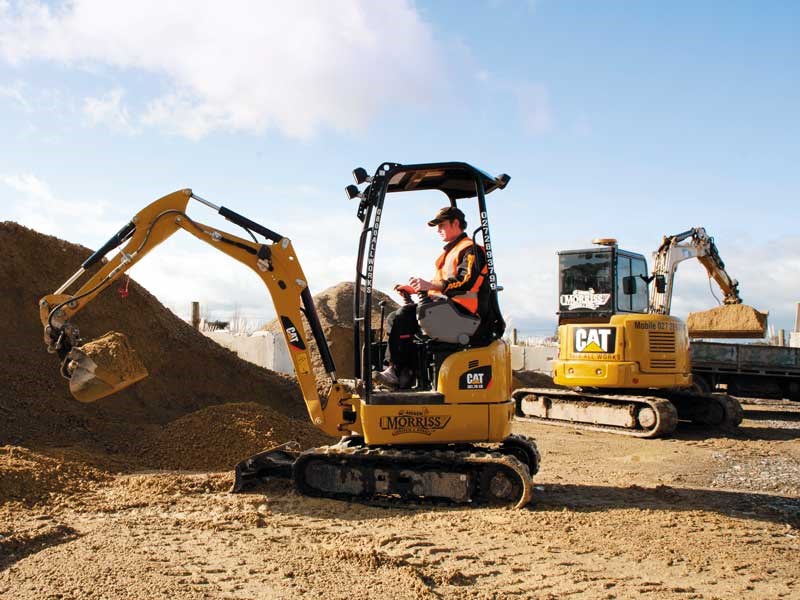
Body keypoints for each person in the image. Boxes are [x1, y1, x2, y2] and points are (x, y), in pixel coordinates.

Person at [375, 206, 489, 389]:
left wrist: (430, 286)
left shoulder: (471, 250)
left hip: (464, 313)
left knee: (405, 315)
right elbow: (440, 287)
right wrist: (417, 290)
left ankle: (395, 371)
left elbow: (467, 282)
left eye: (442, 225)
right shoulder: (450, 252)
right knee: (394, 318)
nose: (438, 230)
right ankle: (406, 373)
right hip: (447, 309)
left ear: (456, 223)